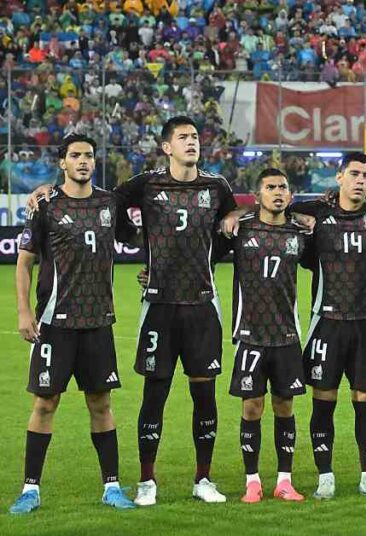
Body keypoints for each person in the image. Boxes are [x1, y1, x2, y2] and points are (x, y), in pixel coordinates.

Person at [9, 134, 137, 515]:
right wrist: (23, 311)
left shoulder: (109, 203)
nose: (83, 161)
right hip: (54, 322)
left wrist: (151, 271)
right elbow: (25, 261)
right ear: (62, 162)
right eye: (75, 155)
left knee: (101, 401)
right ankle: (30, 489)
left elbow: (141, 239)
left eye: (89, 155)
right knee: (45, 402)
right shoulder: (46, 205)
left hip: (98, 321)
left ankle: (112, 487)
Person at [116, 116, 237, 505]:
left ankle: (203, 480)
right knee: (155, 394)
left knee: (205, 396)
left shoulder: (217, 187)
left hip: (203, 305)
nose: (191, 142)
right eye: (183, 137)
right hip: (160, 305)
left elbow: (230, 224)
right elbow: (110, 202)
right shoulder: (147, 183)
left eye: (195, 137)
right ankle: (147, 482)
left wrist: (227, 228)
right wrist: (135, 241)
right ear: (166, 147)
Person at [288, 152, 366, 499]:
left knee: (365, 399)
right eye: (354, 173)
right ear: (338, 177)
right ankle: (325, 477)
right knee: (323, 399)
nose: (360, 180)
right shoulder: (318, 214)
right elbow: (284, 208)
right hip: (325, 321)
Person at [227, 168, 311, 503]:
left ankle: (285, 480)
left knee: (284, 407)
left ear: (290, 195)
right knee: (252, 407)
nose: (277, 191)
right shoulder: (240, 229)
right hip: (250, 334)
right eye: (270, 187)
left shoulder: (300, 234)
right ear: (258, 194)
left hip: (287, 335)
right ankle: (252, 481)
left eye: (283, 187)